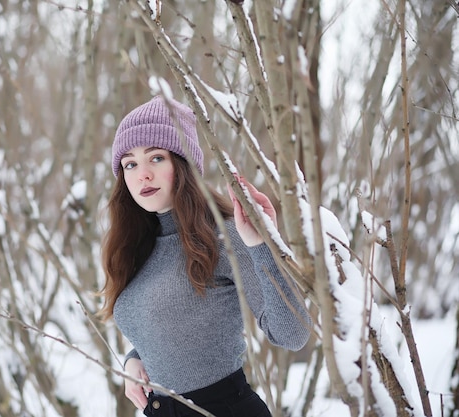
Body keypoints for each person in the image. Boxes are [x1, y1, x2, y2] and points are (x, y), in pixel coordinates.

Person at [99, 95, 311, 417]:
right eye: (130, 164)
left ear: (183, 163)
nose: (142, 174)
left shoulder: (223, 235)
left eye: (156, 158)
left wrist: (261, 246)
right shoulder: (137, 245)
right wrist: (135, 357)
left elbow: (292, 334)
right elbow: (176, 329)